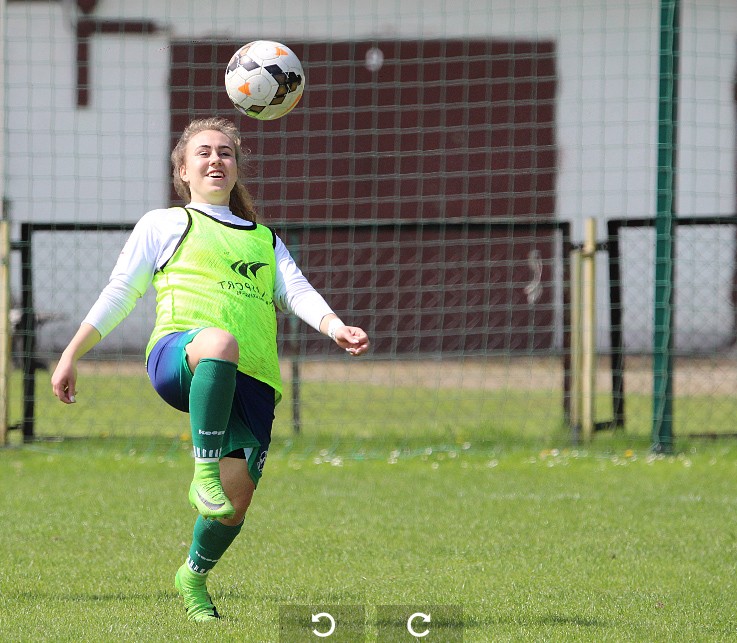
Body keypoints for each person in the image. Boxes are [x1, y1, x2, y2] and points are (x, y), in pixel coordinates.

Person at [50, 117, 370, 622]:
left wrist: (335, 327)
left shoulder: (263, 239)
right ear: (182, 170)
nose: (215, 159)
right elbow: (121, 291)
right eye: (203, 152)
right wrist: (71, 353)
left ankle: (193, 576)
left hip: (254, 378)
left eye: (225, 152)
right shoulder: (165, 224)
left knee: (234, 504)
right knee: (220, 342)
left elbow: (295, 290)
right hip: (181, 356)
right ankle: (202, 473)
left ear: (236, 168)